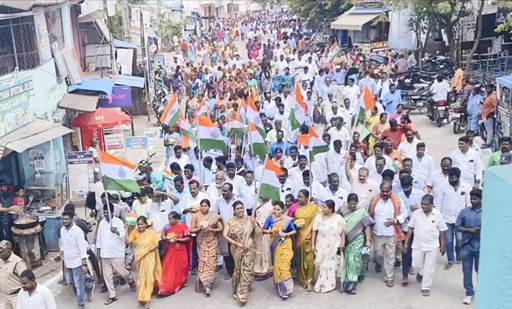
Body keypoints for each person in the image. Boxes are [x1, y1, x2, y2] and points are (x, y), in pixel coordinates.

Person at [404, 194, 447, 296]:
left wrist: (443, 245)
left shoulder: (438, 215)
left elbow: (442, 231)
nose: (424, 206)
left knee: (430, 267)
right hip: (418, 245)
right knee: (416, 265)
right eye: (422, 204)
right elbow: (410, 228)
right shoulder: (416, 214)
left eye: (426, 205)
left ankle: (426, 287)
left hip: (432, 245)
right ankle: (420, 272)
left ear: (432, 204)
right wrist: (406, 243)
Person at [368, 182, 407, 287]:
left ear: (391, 190)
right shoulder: (374, 200)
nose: (385, 193)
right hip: (377, 233)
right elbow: (368, 214)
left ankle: (389, 277)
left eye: (387, 191)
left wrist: (395, 220)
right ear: (380, 190)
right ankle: (379, 263)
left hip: (391, 234)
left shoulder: (397, 201)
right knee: (378, 254)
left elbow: (405, 213)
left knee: (390, 256)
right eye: (383, 191)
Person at [96, 204, 136, 305]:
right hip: (104, 254)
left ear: (112, 212)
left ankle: (130, 280)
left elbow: (123, 236)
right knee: (107, 276)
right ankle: (112, 295)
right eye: (104, 212)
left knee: (122, 272)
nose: (106, 214)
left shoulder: (118, 222)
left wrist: (116, 231)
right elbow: (99, 239)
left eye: (107, 212)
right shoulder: (101, 223)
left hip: (117, 253)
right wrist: (98, 252)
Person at [223, 200, 257, 305]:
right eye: (237, 208)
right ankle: (237, 287)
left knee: (247, 269)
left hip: (249, 247)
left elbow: (258, 233)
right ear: (234, 211)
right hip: (236, 248)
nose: (240, 210)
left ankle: (243, 293)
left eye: (241, 208)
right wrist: (236, 244)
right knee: (238, 268)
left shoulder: (250, 219)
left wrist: (256, 225)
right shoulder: (230, 221)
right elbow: (225, 235)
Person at [438, 167, 471, 270]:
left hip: (460, 219)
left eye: (453, 178)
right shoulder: (443, 186)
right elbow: (439, 202)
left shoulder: (466, 187)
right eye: (449, 178)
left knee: (460, 240)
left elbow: (469, 203)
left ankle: (459, 256)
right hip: (447, 218)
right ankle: (450, 260)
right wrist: (439, 217)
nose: (451, 180)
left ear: (458, 177)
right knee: (448, 240)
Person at [263, 201, 296, 299]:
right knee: (277, 265)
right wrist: (269, 231)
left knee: (284, 265)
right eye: (275, 209)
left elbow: (294, 230)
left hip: (285, 243)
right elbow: (263, 229)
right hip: (274, 243)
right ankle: (280, 287)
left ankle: (286, 289)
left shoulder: (287, 220)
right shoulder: (270, 219)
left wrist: (285, 234)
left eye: (279, 209)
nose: (276, 211)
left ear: (283, 210)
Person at [340, 194, 373, 294]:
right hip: (345, 240)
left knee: (355, 261)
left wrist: (368, 240)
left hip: (358, 240)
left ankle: (352, 283)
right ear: (347, 202)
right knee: (347, 261)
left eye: (354, 204)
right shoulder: (342, 211)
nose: (352, 206)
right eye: (350, 204)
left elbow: (367, 226)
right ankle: (347, 284)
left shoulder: (362, 212)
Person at [127, 216, 162, 308]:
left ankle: (147, 299)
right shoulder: (134, 232)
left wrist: (146, 250)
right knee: (141, 279)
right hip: (140, 258)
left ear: (146, 224)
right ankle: (142, 296)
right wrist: (129, 229)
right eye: (138, 224)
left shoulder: (151, 232)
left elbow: (156, 244)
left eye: (142, 224)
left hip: (150, 257)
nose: (140, 226)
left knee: (149, 278)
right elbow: (128, 241)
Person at [190, 199, 223, 296]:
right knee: (203, 261)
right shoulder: (195, 215)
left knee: (211, 262)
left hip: (212, 241)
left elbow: (220, 228)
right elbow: (191, 230)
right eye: (202, 206)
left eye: (206, 206)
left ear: (209, 207)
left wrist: (212, 229)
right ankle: (203, 283)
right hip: (201, 242)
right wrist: (199, 228)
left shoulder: (214, 215)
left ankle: (208, 285)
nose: (204, 208)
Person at [311, 200, 345, 293]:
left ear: (331, 209)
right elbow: (314, 231)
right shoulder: (318, 217)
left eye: (325, 207)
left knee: (330, 264)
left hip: (334, 245)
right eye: (322, 206)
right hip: (321, 244)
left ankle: (329, 284)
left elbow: (342, 231)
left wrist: (343, 243)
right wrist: (312, 244)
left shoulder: (338, 218)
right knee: (320, 264)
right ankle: (320, 282)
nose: (322, 209)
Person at [456, 188, 482, 305]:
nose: (472, 201)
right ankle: (469, 293)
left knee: (480, 271)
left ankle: (482, 291)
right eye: (471, 198)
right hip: (467, 246)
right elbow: (457, 227)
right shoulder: (464, 212)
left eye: (475, 199)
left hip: (482, 247)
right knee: (467, 271)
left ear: (481, 199)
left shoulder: (488, 212)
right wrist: (470, 230)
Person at [60, 211, 88, 309]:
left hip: (77, 262)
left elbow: (82, 248)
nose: (64, 221)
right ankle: (85, 290)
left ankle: (81, 304)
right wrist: (62, 251)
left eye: (67, 219)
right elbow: (63, 243)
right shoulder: (62, 230)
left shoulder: (77, 231)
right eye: (63, 219)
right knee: (70, 282)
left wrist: (84, 263)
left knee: (78, 284)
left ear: (71, 219)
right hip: (67, 262)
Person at [158, 212, 191, 297]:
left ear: (177, 219)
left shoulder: (184, 227)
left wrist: (178, 239)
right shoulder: (168, 227)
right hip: (171, 250)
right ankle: (165, 286)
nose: (169, 221)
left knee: (181, 267)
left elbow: (187, 238)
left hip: (181, 251)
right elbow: (163, 236)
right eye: (168, 219)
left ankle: (180, 282)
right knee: (168, 268)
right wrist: (167, 238)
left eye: (171, 219)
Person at [294, 189, 319, 290]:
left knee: (309, 261)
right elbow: (289, 218)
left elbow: (320, 218)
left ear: (307, 198)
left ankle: (309, 281)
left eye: (301, 197)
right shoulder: (295, 207)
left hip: (311, 237)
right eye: (298, 196)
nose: (299, 198)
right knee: (300, 260)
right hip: (299, 237)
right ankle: (302, 278)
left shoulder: (314, 208)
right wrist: (295, 225)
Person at [0, 240, 27, 309]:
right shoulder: (1, 261)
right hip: (6, 297)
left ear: (8, 251)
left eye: (1, 252)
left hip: (17, 296)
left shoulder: (18, 262)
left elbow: (27, 280)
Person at [252, 197, 274, 280]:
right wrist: (256, 226)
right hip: (257, 230)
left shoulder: (271, 205)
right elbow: (253, 217)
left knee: (265, 249)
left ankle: (266, 267)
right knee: (257, 249)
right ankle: (257, 267)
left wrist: (264, 229)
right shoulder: (256, 203)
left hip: (266, 230)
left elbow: (271, 218)